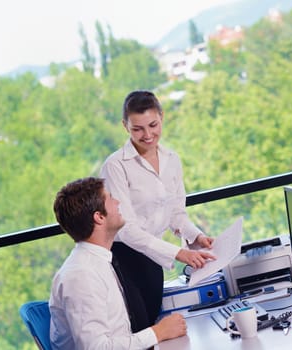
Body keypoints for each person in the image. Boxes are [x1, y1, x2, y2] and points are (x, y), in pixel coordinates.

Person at [100, 90, 215, 332]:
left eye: (153, 125)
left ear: (162, 117)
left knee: (152, 323)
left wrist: (195, 237)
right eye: (137, 129)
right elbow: (126, 229)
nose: (148, 135)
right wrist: (179, 253)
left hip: (153, 257)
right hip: (124, 258)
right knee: (139, 330)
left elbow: (176, 212)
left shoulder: (172, 159)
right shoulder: (115, 166)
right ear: (125, 126)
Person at [49, 177, 187, 349]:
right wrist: (158, 332)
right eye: (110, 199)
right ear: (99, 217)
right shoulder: (81, 276)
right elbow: (96, 348)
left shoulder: (100, 260)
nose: (118, 202)